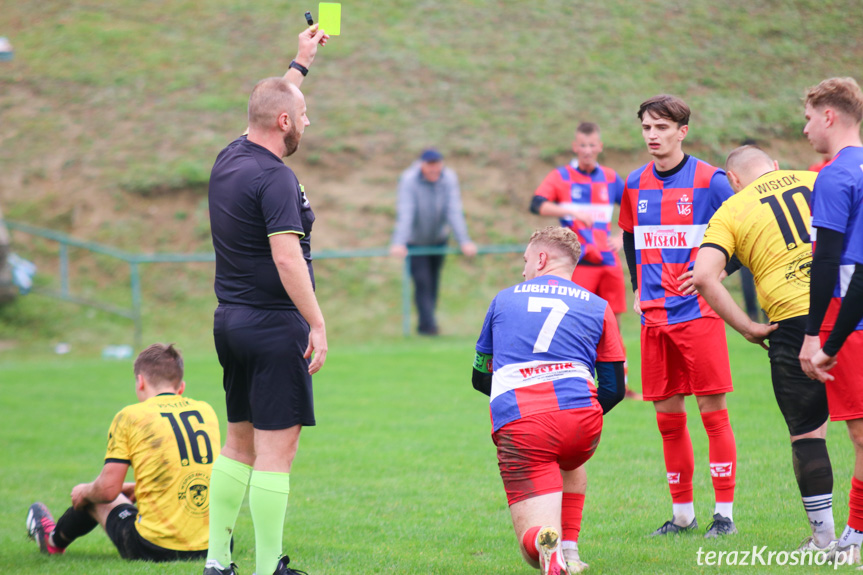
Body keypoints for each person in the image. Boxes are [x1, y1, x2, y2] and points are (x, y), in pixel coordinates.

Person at [204, 24, 329, 575]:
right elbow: (287, 258)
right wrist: (317, 324)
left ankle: (215, 563)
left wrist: (299, 64)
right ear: (283, 123)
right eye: (301, 115)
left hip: (230, 323)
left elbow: (271, 101)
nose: (307, 121)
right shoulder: (276, 177)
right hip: (275, 325)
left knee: (238, 446)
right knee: (278, 454)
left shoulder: (230, 156)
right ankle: (266, 568)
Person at [692, 145, 836, 551]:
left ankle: (824, 538)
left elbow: (704, 277)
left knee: (808, 435)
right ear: (774, 166)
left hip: (792, 322)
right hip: (848, 310)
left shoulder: (733, 209)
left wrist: (748, 328)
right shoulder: (817, 180)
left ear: (733, 181)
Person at [618, 94, 739, 537]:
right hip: (654, 317)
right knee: (668, 419)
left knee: (713, 414)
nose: (653, 135)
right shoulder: (633, 183)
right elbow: (630, 238)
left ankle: (724, 514)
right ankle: (683, 514)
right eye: (647, 128)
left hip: (699, 314)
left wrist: (717, 274)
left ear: (682, 131)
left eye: (662, 128)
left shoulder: (712, 180)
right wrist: (636, 286)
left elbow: (744, 234)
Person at [473, 226, 626, 574]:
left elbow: (481, 374)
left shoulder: (504, 299)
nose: (523, 269)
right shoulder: (599, 306)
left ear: (541, 259)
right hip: (582, 420)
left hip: (525, 423)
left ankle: (548, 544)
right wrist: (579, 411)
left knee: (533, 551)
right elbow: (615, 387)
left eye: (526, 260)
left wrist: (517, 402)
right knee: (569, 460)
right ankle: (570, 551)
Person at [26, 344, 221, 561]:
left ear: (141, 382)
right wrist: (141, 487)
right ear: (181, 387)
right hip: (215, 546)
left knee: (94, 495)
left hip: (155, 548)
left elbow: (108, 490)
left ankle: (52, 541)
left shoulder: (131, 416)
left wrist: (84, 491)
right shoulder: (206, 410)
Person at [796, 77, 863, 565]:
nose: (804, 129)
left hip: (852, 316)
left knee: (860, 432)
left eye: (806, 117)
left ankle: (856, 535)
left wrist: (818, 336)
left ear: (829, 116)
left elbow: (829, 261)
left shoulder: (835, 175)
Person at [530, 122, 640, 400]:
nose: (588, 151)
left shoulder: (611, 178)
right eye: (583, 145)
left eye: (593, 145)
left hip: (608, 264)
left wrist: (620, 234)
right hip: (577, 265)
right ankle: (576, 385)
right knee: (575, 323)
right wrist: (568, 209)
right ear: (574, 147)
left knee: (612, 325)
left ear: (600, 147)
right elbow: (537, 204)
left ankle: (622, 386)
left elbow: (635, 207)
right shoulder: (562, 177)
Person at [390, 148, 477, 335]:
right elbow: (406, 211)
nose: (434, 171)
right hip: (415, 242)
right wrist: (400, 241)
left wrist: (464, 240)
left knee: (433, 281)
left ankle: (428, 322)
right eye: (430, 167)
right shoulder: (409, 179)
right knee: (422, 282)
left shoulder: (449, 178)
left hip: (438, 240)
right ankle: (428, 327)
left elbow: (453, 209)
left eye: (437, 167)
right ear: (422, 165)